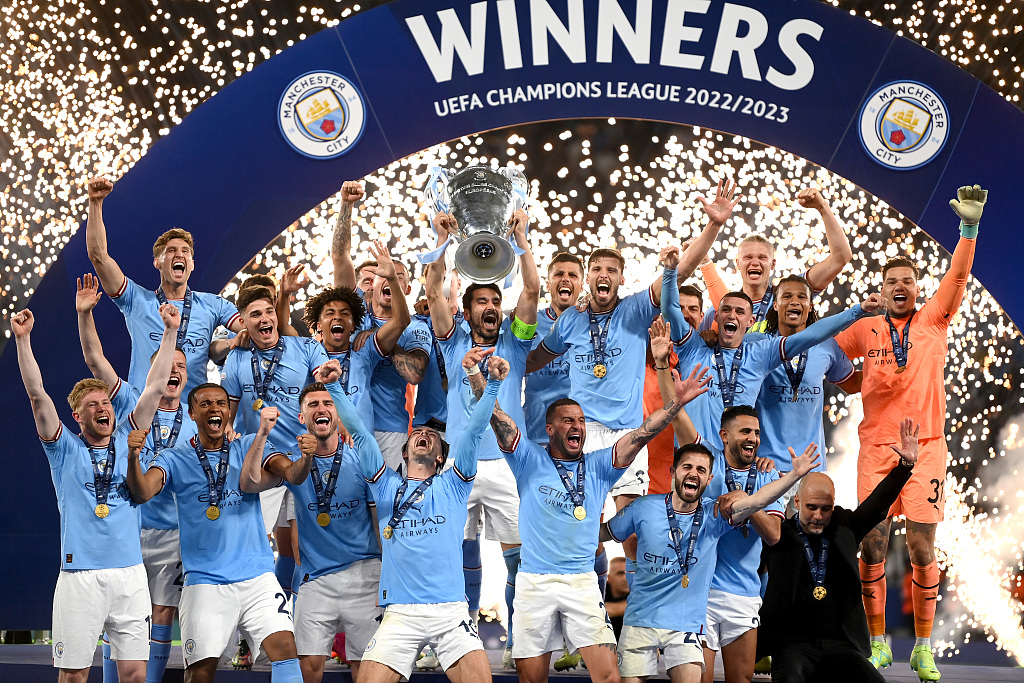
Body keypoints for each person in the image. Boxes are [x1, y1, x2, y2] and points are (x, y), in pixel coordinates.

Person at [477, 330, 711, 683]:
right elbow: (496, 419)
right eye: (569, 421)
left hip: (582, 583)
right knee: (531, 679)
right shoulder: (527, 459)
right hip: (534, 582)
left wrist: (675, 405)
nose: (578, 427)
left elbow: (641, 434)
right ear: (550, 428)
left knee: (609, 678)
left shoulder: (600, 465)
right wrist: (480, 381)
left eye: (582, 421)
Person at [834, 185, 987, 680]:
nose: (900, 287)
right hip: (875, 450)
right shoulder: (867, 326)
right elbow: (830, 356)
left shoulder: (933, 321)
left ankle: (923, 647)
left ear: (918, 288)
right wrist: (849, 376)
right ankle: (877, 643)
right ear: (881, 288)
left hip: (926, 449)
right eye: (892, 281)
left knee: (922, 548)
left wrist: (968, 231)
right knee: (871, 544)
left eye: (908, 281)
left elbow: (958, 277)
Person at [13, 301, 181, 683]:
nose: (103, 408)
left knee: (136, 675)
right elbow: (38, 396)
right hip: (80, 576)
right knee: (73, 676)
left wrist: (170, 331)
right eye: (93, 406)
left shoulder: (128, 436)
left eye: (106, 402)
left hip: (130, 575)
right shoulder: (63, 449)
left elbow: (155, 387)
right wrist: (23, 340)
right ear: (78, 416)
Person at [325, 348, 507, 683]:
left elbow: (475, 430)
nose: (423, 434)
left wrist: (492, 385)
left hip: (450, 611)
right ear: (405, 451)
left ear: (440, 458)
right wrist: (335, 387)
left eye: (432, 437)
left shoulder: (453, 484)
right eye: (417, 435)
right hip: (400, 614)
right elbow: (362, 435)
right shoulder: (384, 486)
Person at [126, 386, 311, 682]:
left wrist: (306, 458)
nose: (215, 407)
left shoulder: (249, 444)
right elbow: (142, 492)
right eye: (206, 403)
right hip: (205, 582)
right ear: (192, 413)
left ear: (228, 412)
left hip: (257, 578)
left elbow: (292, 474)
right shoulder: (173, 458)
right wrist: (133, 457)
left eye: (221, 403)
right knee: (200, 671)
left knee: (286, 650)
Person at [601, 440, 820, 683]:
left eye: (701, 470)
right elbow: (601, 534)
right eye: (687, 467)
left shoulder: (714, 514)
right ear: (673, 472)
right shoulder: (642, 507)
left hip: (684, 627)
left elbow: (758, 502)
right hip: (639, 622)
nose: (693, 473)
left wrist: (795, 475)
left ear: (708, 479)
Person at [425, 205, 539, 665]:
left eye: (495, 302)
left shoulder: (515, 339)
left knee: (518, 557)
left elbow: (531, 287)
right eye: (482, 303)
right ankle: (452, 643)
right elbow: (433, 290)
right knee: (450, 550)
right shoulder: (452, 340)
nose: (491, 308)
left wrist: (523, 241)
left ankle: (517, 644)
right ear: (467, 310)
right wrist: (441, 241)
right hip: (459, 464)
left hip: (509, 462)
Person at [76, 273, 194, 683]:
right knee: (120, 615)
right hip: (129, 528)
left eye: (182, 365)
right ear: (155, 372)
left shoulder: (198, 423)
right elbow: (95, 359)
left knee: (161, 613)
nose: (174, 371)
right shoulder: (130, 401)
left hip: (172, 532)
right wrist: (85, 315)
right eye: (168, 365)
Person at [660, 248, 881, 452]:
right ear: (715, 317)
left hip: (738, 465)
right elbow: (670, 309)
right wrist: (670, 272)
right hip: (692, 460)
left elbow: (811, 335)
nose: (732, 315)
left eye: (740, 311)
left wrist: (858, 310)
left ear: (751, 320)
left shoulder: (760, 352)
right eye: (725, 310)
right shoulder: (691, 347)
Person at [752, 419, 921, 683]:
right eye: (811, 507)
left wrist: (905, 467)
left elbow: (876, 504)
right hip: (792, 646)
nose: (818, 516)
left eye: (825, 508)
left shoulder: (844, 526)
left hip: (842, 645)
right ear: (797, 501)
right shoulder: (779, 534)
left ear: (834, 504)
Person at [260, 382, 383, 683]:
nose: (321, 409)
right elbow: (286, 477)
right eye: (312, 404)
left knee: (365, 670)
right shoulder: (288, 458)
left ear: (337, 414)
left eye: (328, 403)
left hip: (365, 573)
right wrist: (306, 458)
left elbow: (378, 522)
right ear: (302, 417)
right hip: (316, 579)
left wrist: (388, 573)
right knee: (306, 669)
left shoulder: (361, 459)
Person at [84, 175, 243, 397]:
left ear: (192, 264)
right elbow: (98, 256)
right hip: (144, 414)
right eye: (171, 251)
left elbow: (251, 329)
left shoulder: (213, 305)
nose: (179, 254)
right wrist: (95, 203)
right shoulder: (136, 301)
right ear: (157, 263)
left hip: (191, 417)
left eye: (185, 251)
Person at [755, 275, 857, 500]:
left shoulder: (826, 346)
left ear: (810, 306)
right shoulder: (758, 344)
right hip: (766, 466)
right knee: (770, 535)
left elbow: (852, 383)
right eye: (787, 296)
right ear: (775, 304)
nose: (794, 301)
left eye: (802, 296)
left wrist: (890, 369)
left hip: (812, 467)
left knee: (808, 534)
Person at [698, 186, 853, 330]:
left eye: (762, 257)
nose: (755, 262)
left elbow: (841, 257)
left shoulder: (791, 294)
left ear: (773, 264)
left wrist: (822, 207)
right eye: (748, 257)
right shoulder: (718, 311)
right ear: (737, 263)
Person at [302, 241, 412, 434]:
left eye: (345, 313)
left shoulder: (364, 350)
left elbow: (401, 321)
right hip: (321, 443)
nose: (337, 317)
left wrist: (393, 278)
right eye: (330, 314)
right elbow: (281, 333)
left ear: (353, 325)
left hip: (362, 444)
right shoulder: (307, 353)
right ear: (319, 325)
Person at [223, 285, 332, 443]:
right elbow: (228, 416)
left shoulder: (308, 347)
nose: (265, 319)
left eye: (269, 311)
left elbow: (329, 392)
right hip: (259, 452)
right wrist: (227, 431)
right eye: (256, 314)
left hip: (303, 447)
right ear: (242, 322)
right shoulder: (236, 355)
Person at [604, 557, 630, 640]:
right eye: (620, 573)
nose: (626, 578)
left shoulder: (641, 592)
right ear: (609, 578)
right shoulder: (599, 591)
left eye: (629, 573)